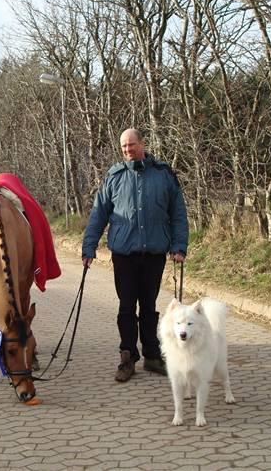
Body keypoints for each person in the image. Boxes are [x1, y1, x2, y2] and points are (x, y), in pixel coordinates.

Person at [82, 128, 189, 383]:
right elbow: (99, 213)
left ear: (143, 143)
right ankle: (127, 357)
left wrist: (179, 245)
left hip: (154, 253)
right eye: (124, 147)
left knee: (150, 306)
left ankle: (152, 355)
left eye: (132, 144)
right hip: (124, 254)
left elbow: (178, 214)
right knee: (126, 306)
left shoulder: (163, 175)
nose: (128, 150)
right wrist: (89, 247)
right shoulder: (114, 177)